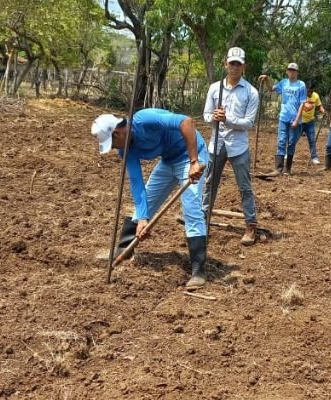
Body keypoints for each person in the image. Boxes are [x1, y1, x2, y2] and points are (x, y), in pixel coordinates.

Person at [91, 109, 210, 289]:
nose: (115, 148)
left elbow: (187, 122)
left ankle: (198, 270)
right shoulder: (126, 150)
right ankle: (124, 250)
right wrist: (143, 218)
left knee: (191, 206)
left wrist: (194, 162)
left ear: (117, 133)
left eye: (113, 144)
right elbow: (136, 182)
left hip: (191, 156)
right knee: (145, 203)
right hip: (168, 161)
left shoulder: (145, 119)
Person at [202, 47, 260, 246]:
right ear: (225, 64)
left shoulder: (251, 92)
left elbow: (249, 123)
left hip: (238, 145)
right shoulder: (214, 88)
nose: (234, 67)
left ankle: (251, 225)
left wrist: (228, 119)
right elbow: (206, 116)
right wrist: (214, 118)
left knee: (244, 187)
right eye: (231, 63)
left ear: (244, 66)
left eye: (238, 64)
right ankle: (203, 221)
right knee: (210, 183)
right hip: (216, 142)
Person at [258, 62, 307, 176]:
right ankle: (278, 169)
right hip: (283, 117)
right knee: (281, 141)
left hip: (295, 119)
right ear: (287, 71)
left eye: (294, 70)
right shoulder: (283, 82)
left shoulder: (301, 85)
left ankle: (288, 169)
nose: (291, 72)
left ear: (297, 72)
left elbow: (302, 104)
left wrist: (296, 120)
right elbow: (271, 89)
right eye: (290, 70)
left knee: (291, 143)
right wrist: (266, 79)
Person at [295, 82, 326, 165]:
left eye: (311, 91)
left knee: (312, 140)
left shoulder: (316, 96)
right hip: (300, 121)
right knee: (294, 139)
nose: (309, 93)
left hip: (310, 122)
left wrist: (322, 110)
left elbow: (319, 106)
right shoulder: (300, 95)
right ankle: (288, 154)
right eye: (308, 91)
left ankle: (314, 157)